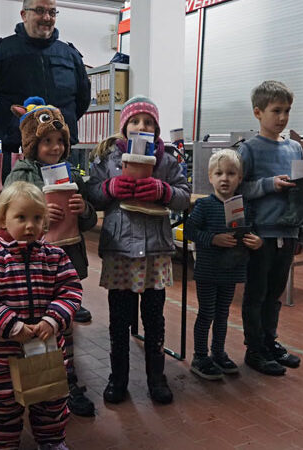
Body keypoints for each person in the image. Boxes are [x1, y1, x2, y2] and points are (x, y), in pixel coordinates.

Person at [86, 95, 191, 404]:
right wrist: (109, 188)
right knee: (119, 319)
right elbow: (91, 192)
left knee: (154, 317)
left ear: (156, 129)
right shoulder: (107, 159)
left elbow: (184, 196)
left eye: (148, 122)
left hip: (156, 250)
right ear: (124, 127)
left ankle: (157, 378)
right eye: (134, 121)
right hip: (121, 249)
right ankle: (117, 378)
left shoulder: (168, 161)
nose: (141, 126)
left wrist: (164, 191)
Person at [0, 181, 82, 450]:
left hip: (47, 348)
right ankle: (3, 445)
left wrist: (53, 319)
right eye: (21, 217)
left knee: (51, 400)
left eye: (37, 218)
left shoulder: (55, 256)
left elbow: (70, 291)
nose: (30, 226)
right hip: (3, 354)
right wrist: (12, 326)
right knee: (3, 408)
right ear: (2, 219)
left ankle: (52, 442)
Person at [4, 97, 97, 417]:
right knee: (34, 327)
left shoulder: (72, 172)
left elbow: (88, 220)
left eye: (60, 141)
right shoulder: (21, 174)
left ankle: (67, 383)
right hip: (30, 266)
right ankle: (32, 383)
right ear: (32, 143)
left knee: (62, 325)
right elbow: (9, 214)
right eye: (46, 141)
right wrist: (40, 211)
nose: (55, 147)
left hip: (65, 262)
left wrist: (84, 210)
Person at [0, 0, 90, 183]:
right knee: (19, 209)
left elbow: (82, 100)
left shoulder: (70, 55)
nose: (47, 17)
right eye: (40, 11)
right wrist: (6, 126)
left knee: (62, 208)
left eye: (52, 12)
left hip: (61, 154)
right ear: (24, 14)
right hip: (16, 154)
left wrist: (60, 126)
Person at [237, 80, 303, 376]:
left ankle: (270, 342)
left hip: (288, 233)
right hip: (260, 235)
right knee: (256, 294)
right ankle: (254, 349)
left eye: (287, 111)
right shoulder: (249, 149)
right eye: (276, 111)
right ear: (258, 112)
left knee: (274, 294)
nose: (282, 117)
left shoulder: (295, 147)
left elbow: (302, 191)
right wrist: (269, 185)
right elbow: (235, 188)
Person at [184, 149, 263, 380]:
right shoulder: (204, 206)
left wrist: (256, 241)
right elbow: (190, 230)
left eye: (231, 173)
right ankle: (200, 356)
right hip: (208, 271)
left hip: (232, 270)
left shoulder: (245, 206)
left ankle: (218, 353)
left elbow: (252, 230)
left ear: (240, 178)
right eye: (219, 173)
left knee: (222, 314)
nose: (225, 178)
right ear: (210, 177)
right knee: (206, 313)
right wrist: (213, 239)